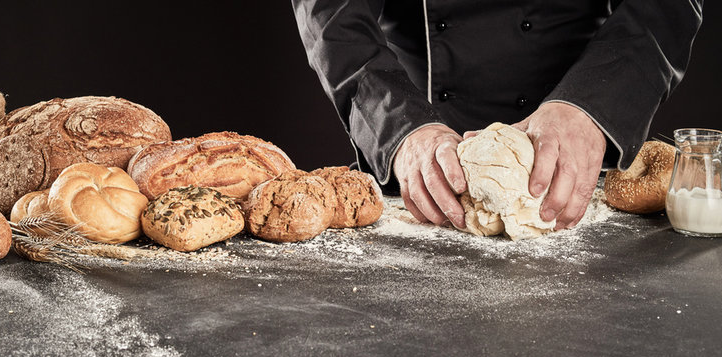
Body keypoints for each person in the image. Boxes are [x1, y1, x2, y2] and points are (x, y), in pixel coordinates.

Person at [291, 0, 703, 230]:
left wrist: (591, 107)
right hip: (425, 163)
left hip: (578, 157)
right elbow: (329, 11)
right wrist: (398, 126)